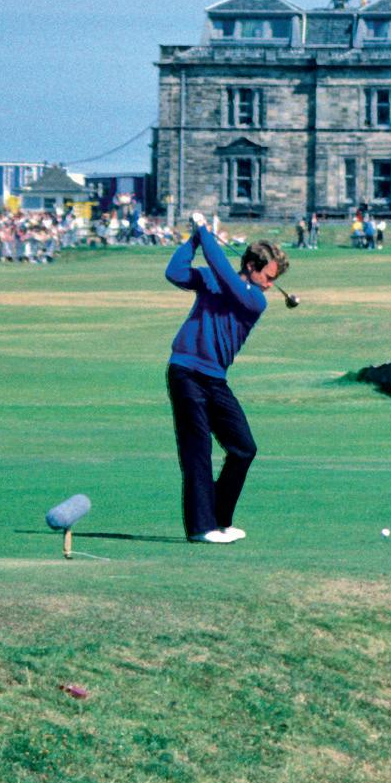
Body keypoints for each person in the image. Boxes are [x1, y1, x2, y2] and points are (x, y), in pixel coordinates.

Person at [165, 215, 290, 544]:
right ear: (251, 266)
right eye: (268, 277)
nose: (269, 284)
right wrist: (196, 238)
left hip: (215, 379)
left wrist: (204, 233)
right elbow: (175, 272)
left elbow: (223, 271)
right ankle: (201, 528)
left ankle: (219, 520)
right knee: (198, 450)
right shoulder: (214, 280)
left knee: (244, 448)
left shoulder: (254, 300)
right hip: (186, 371)